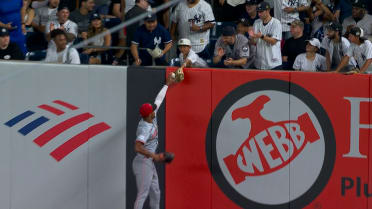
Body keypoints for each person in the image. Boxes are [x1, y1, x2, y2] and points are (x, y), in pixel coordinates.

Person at [133, 73, 176, 209]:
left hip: (148, 162)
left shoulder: (151, 115)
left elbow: (159, 99)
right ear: (148, 114)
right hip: (143, 162)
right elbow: (138, 147)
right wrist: (155, 156)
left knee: (156, 192)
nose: (154, 109)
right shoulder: (145, 128)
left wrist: (167, 84)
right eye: (152, 109)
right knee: (143, 194)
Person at [249, 2, 282, 70]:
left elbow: (273, 41)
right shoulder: (256, 22)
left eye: (261, 11)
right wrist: (252, 37)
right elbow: (253, 42)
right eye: (258, 12)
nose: (259, 14)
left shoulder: (276, 23)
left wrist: (261, 36)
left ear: (268, 11)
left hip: (273, 64)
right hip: (259, 63)